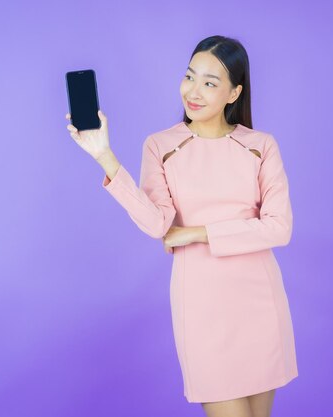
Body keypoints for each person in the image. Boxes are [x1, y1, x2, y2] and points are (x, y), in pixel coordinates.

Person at [65, 35, 298, 417]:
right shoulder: (161, 145)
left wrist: (196, 232)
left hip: (259, 301)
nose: (194, 91)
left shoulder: (261, 145)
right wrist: (104, 156)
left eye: (210, 82)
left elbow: (278, 228)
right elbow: (157, 222)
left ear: (234, 92)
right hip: (202, 303)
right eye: (190, 77)